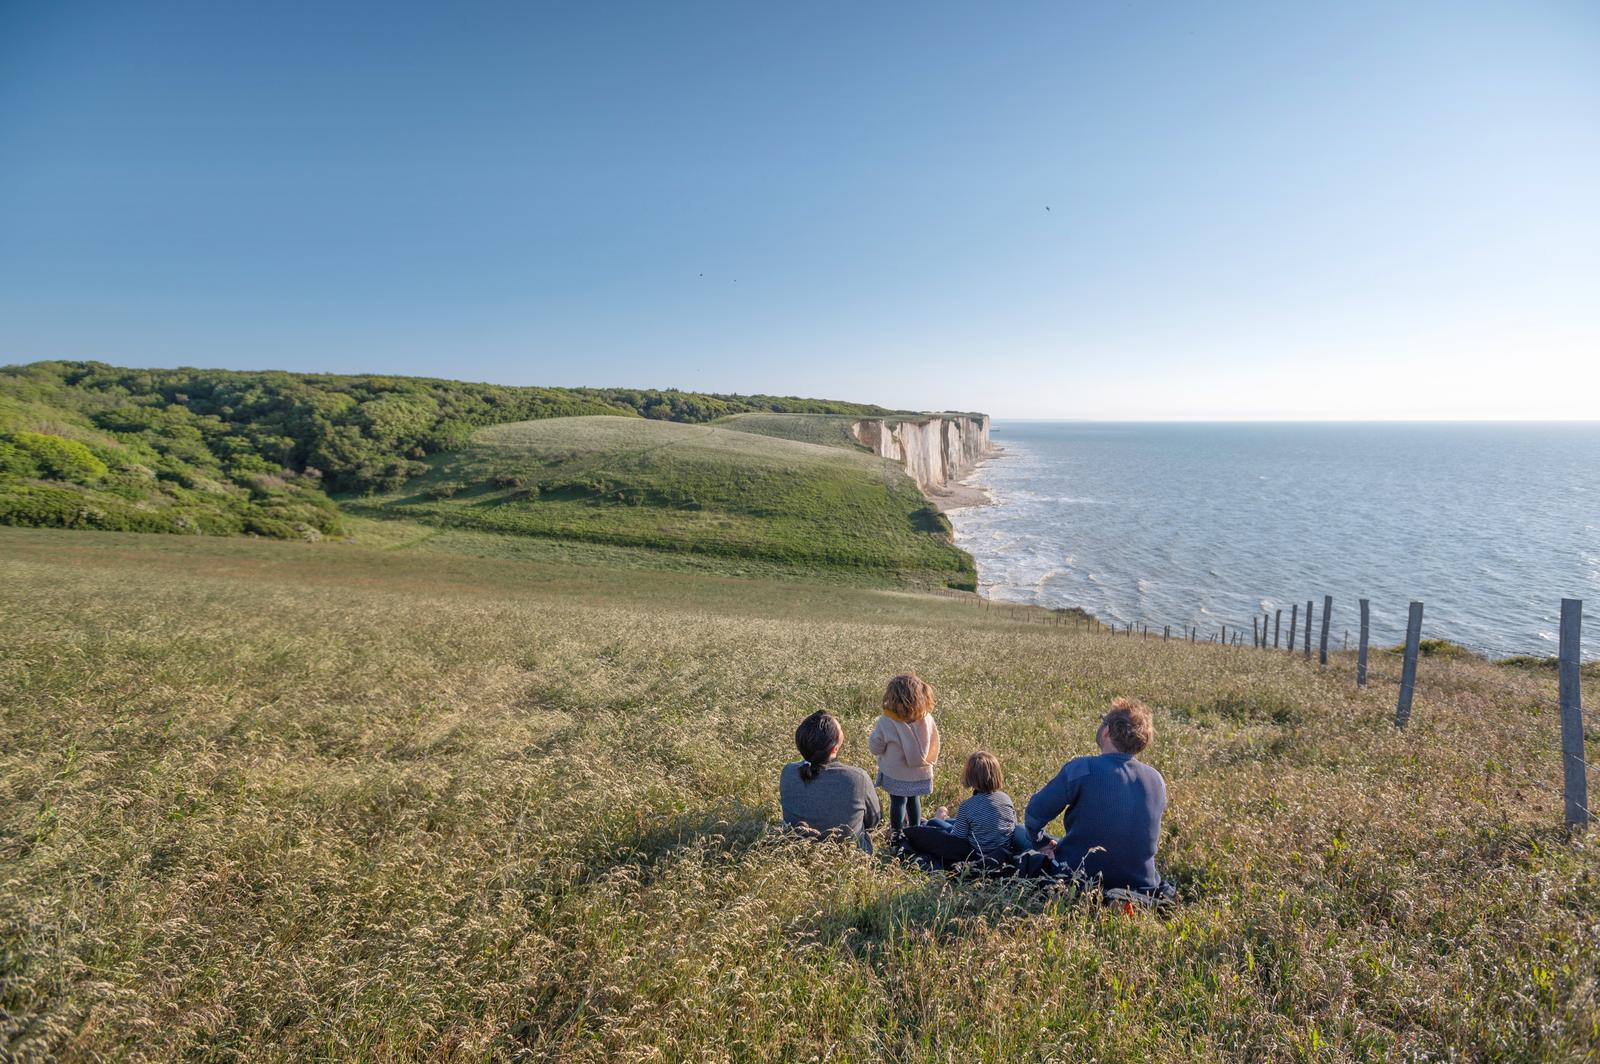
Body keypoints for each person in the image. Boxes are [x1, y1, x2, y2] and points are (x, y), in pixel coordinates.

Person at [1023, 697, 1167, 892]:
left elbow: (1034, 814)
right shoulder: (1156, 779)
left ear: (1107, 730)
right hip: (1141, 883)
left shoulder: (1082, 768)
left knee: (1017, 833)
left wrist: (1041, 842)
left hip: (1078, 876)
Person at [779, 710, 881, 851]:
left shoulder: (788, 772)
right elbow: (874, 821)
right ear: (834, 749)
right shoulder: (858, 778)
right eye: (840, 729)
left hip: (796, 849)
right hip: (850, 856)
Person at [867, 674, 941, 837]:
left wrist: (873, 738)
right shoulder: (926, 718)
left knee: (898, 802)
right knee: (914, 800)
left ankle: (896, 833)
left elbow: (876, 748)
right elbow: (935, 741)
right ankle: (915, 831)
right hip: (919, 771)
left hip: (896, 773)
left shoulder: (886, 721)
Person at [923, 751, 1034, 859]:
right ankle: (945, 818)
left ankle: (937, 819)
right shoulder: (1006, 798)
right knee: (955, 822)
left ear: (970, 776)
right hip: (1003, 851)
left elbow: (957, 838)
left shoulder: (967, 806)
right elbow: (1012, 826)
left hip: (978, 854)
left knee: (934, 822)